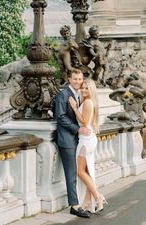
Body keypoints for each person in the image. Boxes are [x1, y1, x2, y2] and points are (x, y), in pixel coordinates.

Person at [54, 69, 91, 218]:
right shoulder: (62, 95)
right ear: (69, 79)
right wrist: (78, 129)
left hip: (79, 140)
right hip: (67, 139)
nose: (78, 81)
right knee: (71, 173)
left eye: (80, 79)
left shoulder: (80, 95)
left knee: (80, 172)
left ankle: (83, 202)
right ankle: (74, 206)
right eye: (75, 79)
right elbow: (60, 117)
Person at [69, 78, 107, 213]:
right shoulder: (89, 102)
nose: (84, 90)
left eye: (86, 88)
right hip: (88, 139)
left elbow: (84, 123)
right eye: (83, 87)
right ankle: (87, 202)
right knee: (87, 172)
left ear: (91, 90)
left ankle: (98, 197)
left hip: (85, 140)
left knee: (80, 172)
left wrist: (74, 107)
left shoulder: (87, 103)